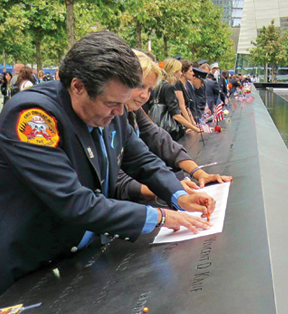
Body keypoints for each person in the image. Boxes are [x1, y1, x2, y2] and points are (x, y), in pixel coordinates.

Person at [0, 31, 214, 294]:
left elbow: (142, 159)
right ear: (78, 87)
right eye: (112, 104)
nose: (120, 113)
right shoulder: (34, 117)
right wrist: (159, 216)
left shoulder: (111, 109)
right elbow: (73, 201)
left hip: (75, 260)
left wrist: (178, 196)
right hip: (26, 270)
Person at [115, 50, 232, 202]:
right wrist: (170, 192)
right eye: (139, 86)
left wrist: (197, 173)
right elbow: (116, 178)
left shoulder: (132, 111)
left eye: (149, 90)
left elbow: (156, 140)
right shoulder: (111, 116)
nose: (144, 96)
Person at [149, 58, 201, 137]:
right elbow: (176, 114)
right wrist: (194, 128)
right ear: (174, 72)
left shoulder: (158, 85)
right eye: (179, 71)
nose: (181, 73)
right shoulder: (169, 87)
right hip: (168, 130)